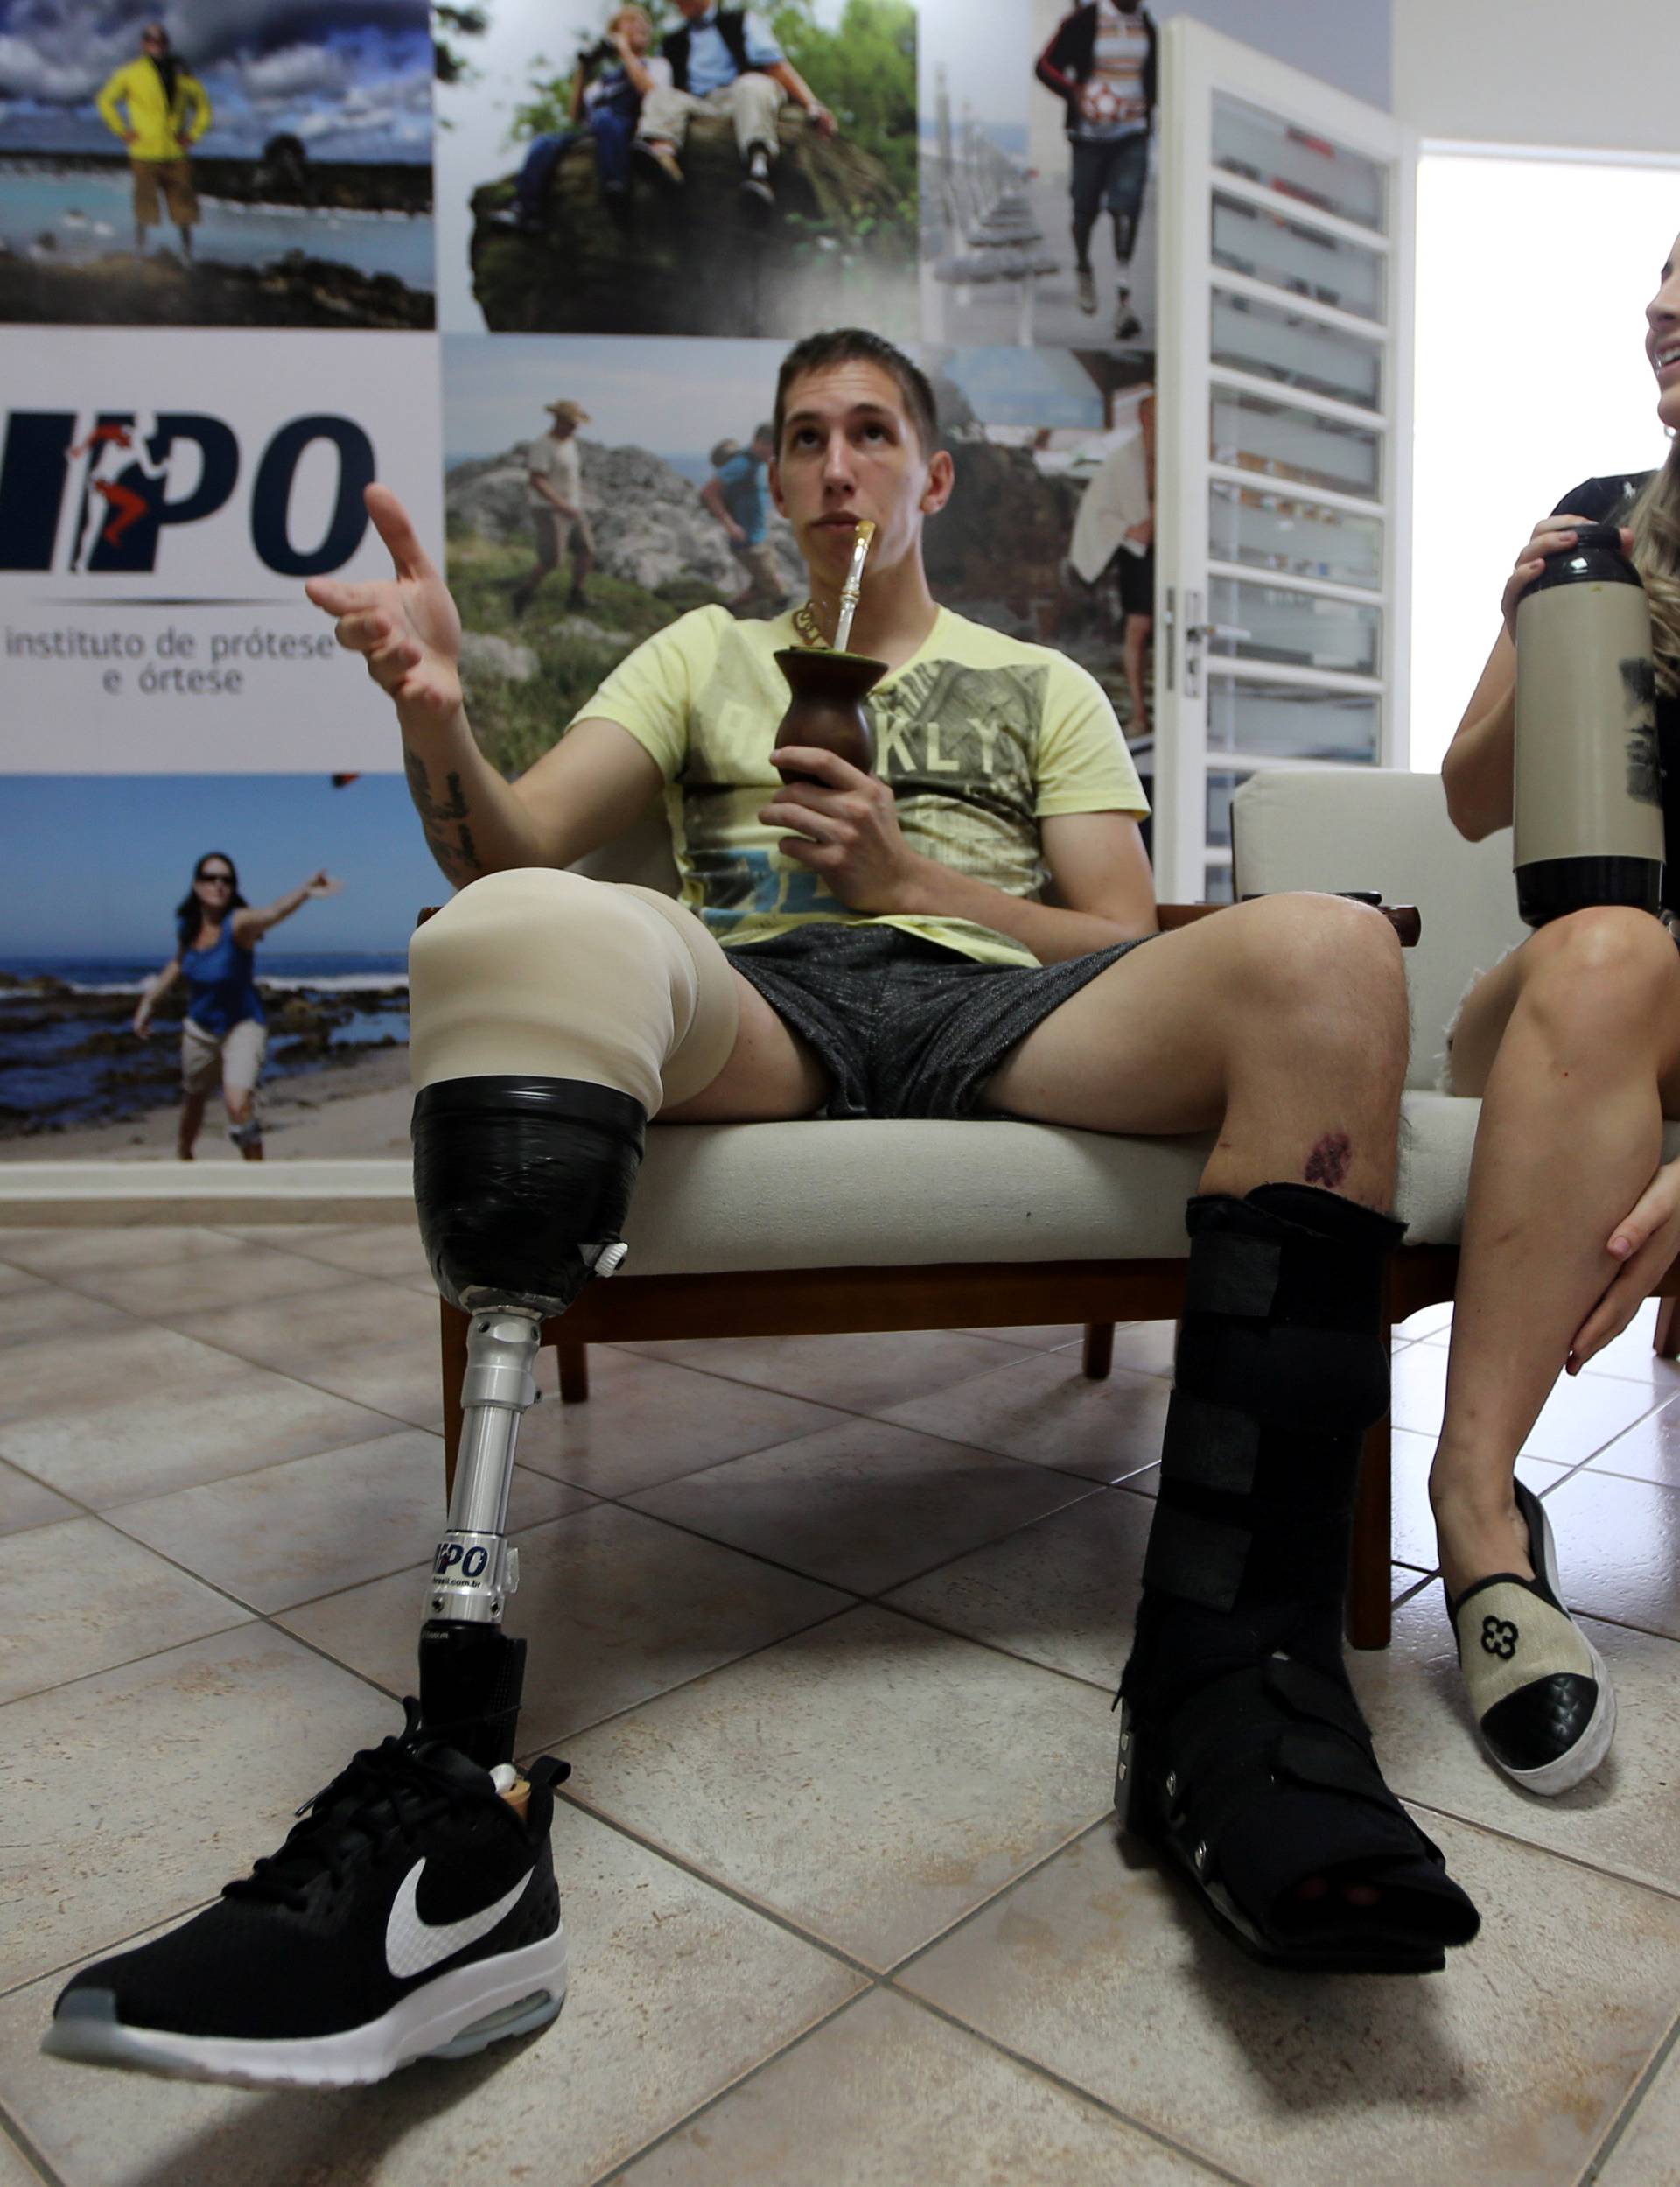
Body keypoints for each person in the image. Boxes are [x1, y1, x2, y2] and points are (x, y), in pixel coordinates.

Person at [46, 326, 1476, 2092]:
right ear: (775, 480)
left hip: (998, 1003)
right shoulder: (700, 653)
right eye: (806, 438)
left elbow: (1120, 937)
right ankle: (459, 1791)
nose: (840, 465)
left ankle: (1234, 1683)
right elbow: (509, 849)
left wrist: (913, 873)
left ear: (930, 476)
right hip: (764, 1007)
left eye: (874, 433)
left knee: (1331, 949)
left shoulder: (1036, 681)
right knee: (513, 930)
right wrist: (436, 720)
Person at [1426, 234, 1680, 1794]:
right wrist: (1534, 624)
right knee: (1613, 947)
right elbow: (1466, 799)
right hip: (1569, 980)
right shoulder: (1598, 518)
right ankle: (1478, 1510)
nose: (1661, 306)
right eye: (1664, 280)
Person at [132, 853, 342, 1162]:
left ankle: (256, 1173)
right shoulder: (188, 927)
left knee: (238, 1103)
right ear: (197, 884)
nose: (219, 885)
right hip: (199, 1029)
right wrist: (148, 1003)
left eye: (226, 879)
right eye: (211, 878)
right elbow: (178, 963)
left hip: (243, 1026)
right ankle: (185, 1156)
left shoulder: (239, 923)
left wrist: (306, 890)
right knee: (193, 1100)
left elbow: (272, 913)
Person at [634, 0, 834, 217]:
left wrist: (812, 103)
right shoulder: (672, 42)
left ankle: (759, 169)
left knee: (750, 85)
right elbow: (653, 87)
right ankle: (664, 159)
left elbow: (776, 66)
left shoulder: (741, 20)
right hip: (699, 103)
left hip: (741, 93)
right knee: (661, 95)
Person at [1035, 0, 1156, 341]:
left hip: (1132, 136)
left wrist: (1149, 108)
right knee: (1084, 212)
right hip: (1089, 139)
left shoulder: (1148, 27)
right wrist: (1076, 94)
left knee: (1126, 211)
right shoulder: (1084, 22)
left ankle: (1124, 301)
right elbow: (1045, 66)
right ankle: (1084, 267)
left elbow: (1159, 79)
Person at [504, 7, 670, 231]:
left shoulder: (657, 65)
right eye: (630, 22)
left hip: (631, 125)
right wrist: (583, 69)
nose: (639, 26)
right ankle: (526, 209)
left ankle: (616, 184)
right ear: (614, 32)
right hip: (600, 130)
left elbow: (651, 92)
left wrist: (624, 50)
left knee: (606, 117)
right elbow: (577, 116)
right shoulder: (605, 81)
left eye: (643, 23)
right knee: (545, 141)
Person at [1068, 389, 1155, 734]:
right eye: (1152, 415)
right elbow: (1100, 510)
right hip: (1139, 555)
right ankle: (1139, 712)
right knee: (1139, 629)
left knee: (1171, 631)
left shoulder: (1178, 450)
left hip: (1172, 554)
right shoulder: (1124, 459)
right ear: (1143, 418)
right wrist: (1128, 528)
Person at [95, 22, 213, 263]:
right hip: (144, 152)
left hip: (176, 153)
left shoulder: (183, 75)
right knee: (144, 207)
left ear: (167, 43)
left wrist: (192, 135)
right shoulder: (130, 73)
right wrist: (122, 130)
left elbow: (204, 108)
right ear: (143, 44)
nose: (156, 44)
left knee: (184, 209)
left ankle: (187, 255)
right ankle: (139, 254)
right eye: (150, 40)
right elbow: (105, 101)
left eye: (160, 40)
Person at [511, 399, 594, 620]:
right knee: (552, 560)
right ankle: (523, 593)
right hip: (549, 509)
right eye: (572, 423)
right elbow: (537, 480)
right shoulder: (543, 445)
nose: (576, 428)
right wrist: (562, 505)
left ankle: (577, 593)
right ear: (560, 421)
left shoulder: (569, 443)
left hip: (573, 507)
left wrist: (573, 503)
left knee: (586, 549)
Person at [702, 422, 786, 613]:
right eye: (774, 447)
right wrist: (730, 525)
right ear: (761, 443)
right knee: (779, 595)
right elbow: (709, 492)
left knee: (760, 588)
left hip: (759, 537)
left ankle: (726, 611)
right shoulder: (741, 464)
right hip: (748, 542)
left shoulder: (758, 464)